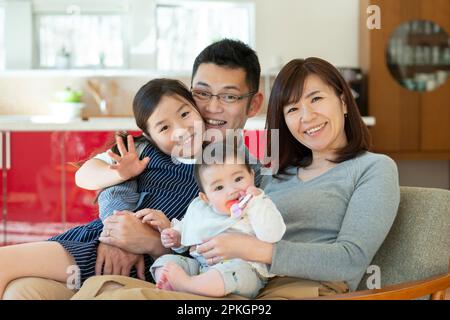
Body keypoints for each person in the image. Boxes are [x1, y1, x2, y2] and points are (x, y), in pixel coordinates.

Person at [70, 57, 400, 300]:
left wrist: (254, 249)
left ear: (343, 101)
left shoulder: (372, 168)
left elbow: (350, 260)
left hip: (298, 290)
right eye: (292, 109)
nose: (307, 117)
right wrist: (144, 235)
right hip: (232, 282)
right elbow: (214, 221)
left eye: (316, 99)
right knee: (99, 291)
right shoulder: (270, 172)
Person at [3, 39, 265, 299]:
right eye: (202, 93)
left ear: (252, 105)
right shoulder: (147, 150)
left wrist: (148, 241)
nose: (211, 107)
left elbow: (219, 254)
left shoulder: (247, 177)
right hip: (96, 242)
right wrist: (119, 189)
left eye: (229, 96)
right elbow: (87, 174)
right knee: (16, 285)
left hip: (155, 269)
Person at [0, 78, 207, 298]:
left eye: (185, 114)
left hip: (152, 264)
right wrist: (119, 172)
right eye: (164, 127)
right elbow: (84, 176)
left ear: (197, 109)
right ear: (149, 136)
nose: (181, 130)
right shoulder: (139, 152)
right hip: (97, 244)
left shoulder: (222, 165)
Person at [148, 143, 285, 298]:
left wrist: (257, 203)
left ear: (252, 176)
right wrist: (177, 237)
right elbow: (188, 230)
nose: (232, 190)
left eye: (238, 179)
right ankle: (170, 283)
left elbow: (273, 235)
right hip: (202, 266)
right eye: (219, 188)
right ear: (205, 198)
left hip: (247, 268)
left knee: (233, 272)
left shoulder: (258, 205)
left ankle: (187, 285)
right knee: (165, 262)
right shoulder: (202, 210)